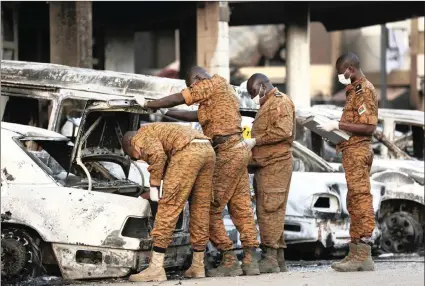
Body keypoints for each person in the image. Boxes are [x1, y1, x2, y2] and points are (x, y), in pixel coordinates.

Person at [135, 66, 260, 277]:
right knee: (241, 206)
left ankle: (229, 258)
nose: (193, 89)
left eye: (193, 85)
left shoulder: (212, 83)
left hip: (227, 151)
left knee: (207, 208)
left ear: (198, 79)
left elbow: (180, 98)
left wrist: (149, 104)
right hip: (238, 150)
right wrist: (164, 111)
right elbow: (195, 115)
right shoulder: (221, 91)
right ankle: (250, 259)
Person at [122, 123, 216, 282]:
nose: (141, 159)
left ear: (132, 145)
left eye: (135, 156)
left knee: (168, 208)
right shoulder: (160, 130)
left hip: (188, 152)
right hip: (207, 150)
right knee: (200, 208)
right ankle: (197, 266)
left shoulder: (140, 136)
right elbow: (167, 164)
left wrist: (154, 186)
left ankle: (156, 268)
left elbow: (157, 156)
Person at [317, 52, 378, 272]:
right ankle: (356, 253)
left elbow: (369, 127)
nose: (340, 77)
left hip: (358, 151)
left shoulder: (364, 90)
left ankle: (362, 253)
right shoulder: (353, 90)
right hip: (351, 150)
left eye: (341, 72)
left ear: (350, 69)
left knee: (361, 200)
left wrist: (338, 126)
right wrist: (333, 131)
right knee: (353, 200)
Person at [245, 73, 295, 273]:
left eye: (253, 91)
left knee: (269, 209)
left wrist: (256, 140)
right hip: (267, 163)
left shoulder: (279, 102)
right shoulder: (269, 103)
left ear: (263, 86)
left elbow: (284, 131)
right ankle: (278, 257)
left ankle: (270, 258)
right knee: (273, 210)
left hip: (275, 163)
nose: (252, 96)